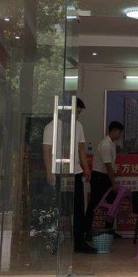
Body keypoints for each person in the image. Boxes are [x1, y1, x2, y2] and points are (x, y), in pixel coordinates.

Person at [42, 98, 97, 254]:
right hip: (58, 173)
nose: (78, 115)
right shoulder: (51, 127)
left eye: (79, 113)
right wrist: (49, 172)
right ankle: (52, 243)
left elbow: (81, 148)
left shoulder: (78, 126)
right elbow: (47, 151)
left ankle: (79, 243)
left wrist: (86, 168)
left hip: (75, 173)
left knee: (78, 208)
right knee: (57, 208)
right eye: (77, 112)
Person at [92, 121, 123, 237]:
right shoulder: (106, 144)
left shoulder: (112, 143)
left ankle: (109, 231)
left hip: (105, 177)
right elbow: (108, 166)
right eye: (119, 132)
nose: (120, 135)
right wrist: (113, 183)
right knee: (94, 204)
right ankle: (86, 231)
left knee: (112, 202)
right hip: (99, 177)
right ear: (114, 131)